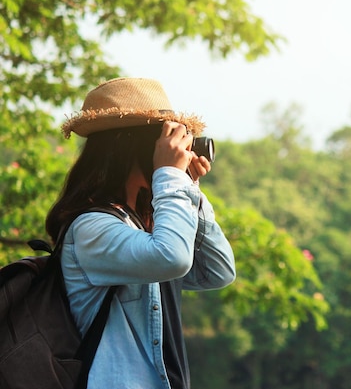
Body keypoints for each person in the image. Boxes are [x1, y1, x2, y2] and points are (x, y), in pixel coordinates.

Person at [46, 77, 236, 389]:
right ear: (135, 146)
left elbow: (218, 271)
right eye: (167, 141)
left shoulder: (139, 225)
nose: (181, 152)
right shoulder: (90, 228)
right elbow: (172, 258)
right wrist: (171, 177)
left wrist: (189, 188)